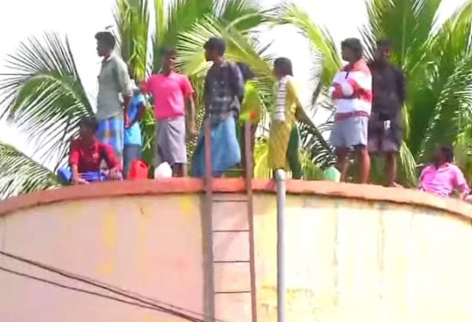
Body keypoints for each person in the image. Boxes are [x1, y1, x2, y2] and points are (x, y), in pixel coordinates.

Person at [192, 38, 244, 177]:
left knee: (229, 151)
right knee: (206, 155)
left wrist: (234, 110)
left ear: (214, 51)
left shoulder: (231, 67)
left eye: (207, 50)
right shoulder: (210, 72)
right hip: (212, 117)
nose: (205, 54)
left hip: (226, 115)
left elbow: (240, 91)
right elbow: (207, 97)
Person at [143, 48, 196, 177]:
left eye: (173, 58)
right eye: (168, 57)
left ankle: (184, 182)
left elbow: (190, 101)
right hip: (161, 121)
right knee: (161, 156)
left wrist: (192, 123)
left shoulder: (181, 79)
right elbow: (142, 90)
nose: (170, 61)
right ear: (162, 59)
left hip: (176, 120)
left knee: (179, 155)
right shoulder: (154, 80)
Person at [329, 38, 372, 184]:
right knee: (340, 151)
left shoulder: (362, 69)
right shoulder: (342, 71)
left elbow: (347, 89)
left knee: (360, 149)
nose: (342, 52)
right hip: (341, 114)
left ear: (353, 51)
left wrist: (342, 91)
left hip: (357, 113)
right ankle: (340, 182)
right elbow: (333, 91)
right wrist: (344, 91)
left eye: (344, 49)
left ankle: (362, 184)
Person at [368, 39, 406, 187]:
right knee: (367, 149)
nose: (383, 54)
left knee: (391, 150)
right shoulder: (368, 69)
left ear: (389, 53)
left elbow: (402, 95)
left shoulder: (396, 72)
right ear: (375, 50)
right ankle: (367, 181)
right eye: (379, 51)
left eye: (386, 51)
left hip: (391, 115)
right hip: (372, 113)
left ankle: (389, 183)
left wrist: (392, 108)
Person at [95, 31, 133, 164]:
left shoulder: (117, 63)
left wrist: (126, 114)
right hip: (102, 114)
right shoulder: (104, 64)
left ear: (107, 45)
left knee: (113, 155)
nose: (97, 48)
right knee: (101, 155)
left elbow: (127, 91)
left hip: (113, 114)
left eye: (99, 45)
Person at [268, 58, 307, 179]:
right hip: (276, 124)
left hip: (287, 122)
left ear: (280, 68)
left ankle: (297, 179)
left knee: (291, 153)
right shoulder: (276, 85)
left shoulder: (290, 81)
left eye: (274, 66)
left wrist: (301, 114)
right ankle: (276, 180)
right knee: (276, 153)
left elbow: (297, 100)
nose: (272, 69)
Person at [57, 117, 121, 185]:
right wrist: (75, 176)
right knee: (62, 172)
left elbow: (116, 164)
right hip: (79, 175)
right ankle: (80, 182)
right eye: (80, 127)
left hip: (96, 176)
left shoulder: (102, 147)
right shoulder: (76, 143)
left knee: (119, 176)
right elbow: (74, 162)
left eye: (83, 127)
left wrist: (113, 170)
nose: (80, 130)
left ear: (92, 130)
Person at [236, 62, 261, 176]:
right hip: (249, 123)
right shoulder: (250, 90)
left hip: (243, 125)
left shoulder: (244, 90)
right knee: (247, 153)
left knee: (244, 154)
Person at [123, 82, 146, 179]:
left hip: (130, 138)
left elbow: (143, 105)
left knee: (130, 172)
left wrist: (131, 122)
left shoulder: (130, 89)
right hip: (129, 138)